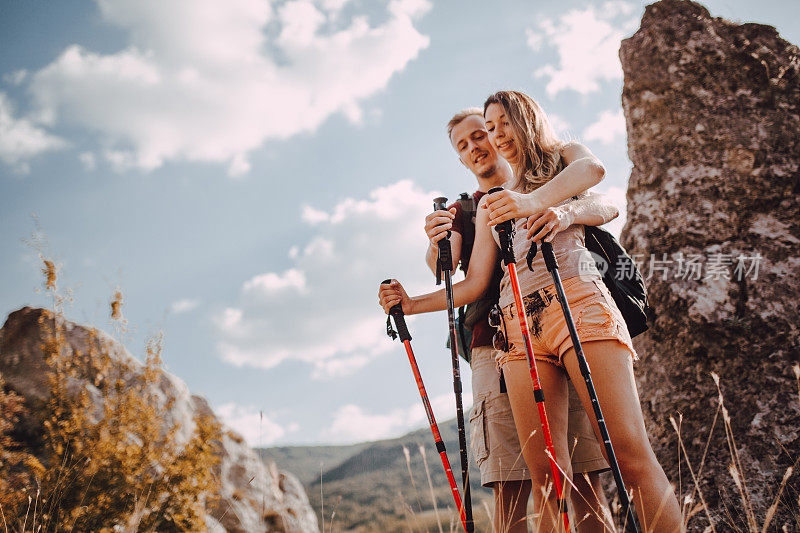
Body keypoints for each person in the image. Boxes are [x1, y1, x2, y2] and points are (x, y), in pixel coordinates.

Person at [380, 90, 682, 532]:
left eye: (500, 125)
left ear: (526, 118)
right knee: (546, 478)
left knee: (627, 454)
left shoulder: (561, 159)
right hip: (515, 328)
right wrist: (411, 305)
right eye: (490, 126)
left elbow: (594, 172)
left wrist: (543, 205)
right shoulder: (485, 204)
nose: (496, 136)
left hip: (577, 303)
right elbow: (475, 282)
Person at [427, 107, 618, 532]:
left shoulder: (549, 177)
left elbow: (601, 197)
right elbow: (448, 268)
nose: (477, 145)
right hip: (493, 345)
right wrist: (434, 238)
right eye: (464, 145)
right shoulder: (463, 208)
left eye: (484, 133)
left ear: (505, 132)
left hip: (566, 323)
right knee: (511, 481)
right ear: (459, 159)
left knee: (585, 476)